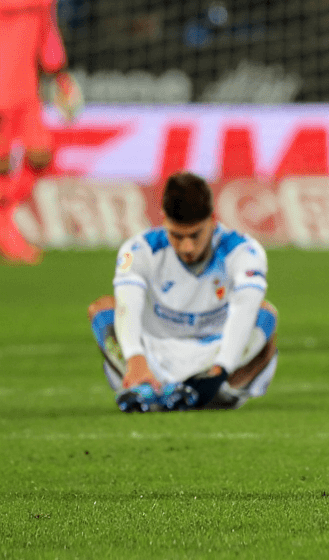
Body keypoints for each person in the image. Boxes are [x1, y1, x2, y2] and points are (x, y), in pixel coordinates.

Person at [88, 172, 278, 413]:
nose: (186, 247)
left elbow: (245, 307)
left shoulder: (243, 251)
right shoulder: (139, 249)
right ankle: (147, 383)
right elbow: (129, 304)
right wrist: (136, 359)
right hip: (156, 351)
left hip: (215, 351)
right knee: (102, 309)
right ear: (165, 220)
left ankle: (213, 387)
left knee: (265, 313)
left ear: (212, 220)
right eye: (177, 236)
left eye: (195, 235)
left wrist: (221, 368)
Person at [0, 0, 82, 264]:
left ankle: (4, 219)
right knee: (3, 165)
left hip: (26, 90)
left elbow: (47, 32)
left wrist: (61, 77)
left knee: (41, 155)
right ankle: (7, 232)